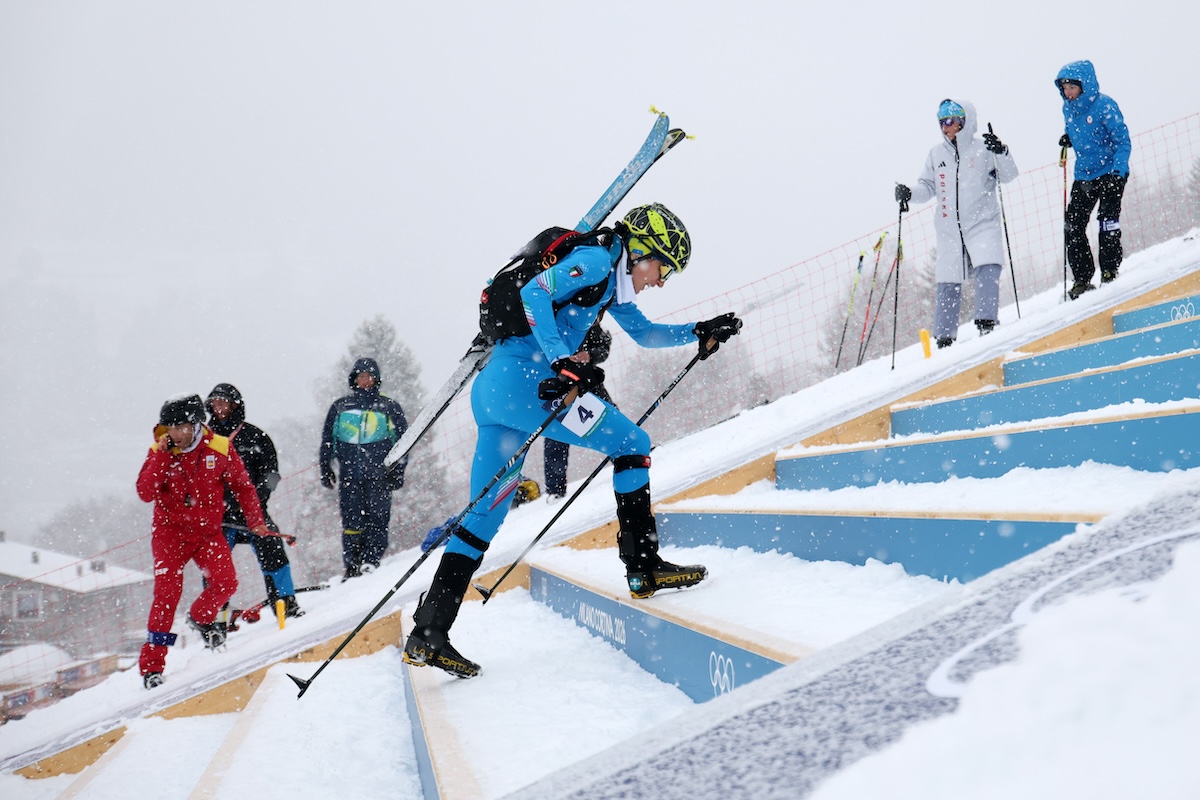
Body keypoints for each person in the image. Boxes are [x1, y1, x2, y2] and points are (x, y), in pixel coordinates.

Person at [403, 202, 742, 679]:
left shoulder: (609, 287)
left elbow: (644, 334)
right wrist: (564, 362)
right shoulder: (601, 262)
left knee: (484, 517)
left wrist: (698, 331)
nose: (660, 280)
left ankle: (429, 632)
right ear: (643, 249)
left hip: (499, 392)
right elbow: (536, 293)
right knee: (633, 443)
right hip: (533, 387)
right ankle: (643, 565)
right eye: (662, 267)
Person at [136, 393, 273, 689]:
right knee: (166, 596)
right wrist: (161, 456)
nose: (173, 434)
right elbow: (145, 492)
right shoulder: (159, 449)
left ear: (195, 425)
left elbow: (244, 488)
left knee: (226, 583)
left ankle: (200, 616)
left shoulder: (220, 448)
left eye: (178, 427)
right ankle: (151, 667)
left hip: (206, 532)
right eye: (167, 427)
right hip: (170, 534)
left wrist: (256, 520)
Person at [895, 99, 1018, 349]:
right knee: (947, 280)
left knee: (988, 266)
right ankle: (944, 337)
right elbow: (927, 187)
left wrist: (1001, 151)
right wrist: (909, 192)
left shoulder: (984, 149)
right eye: (942, 122)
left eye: (951, 121)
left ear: (965, 122)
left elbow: (1008, 175)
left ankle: (986, 322)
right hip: (950, 230)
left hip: (982, 222)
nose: (946, 127)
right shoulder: (936, 154)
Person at [206, 383, 304, 619]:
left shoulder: (255, 436)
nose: (219, 407)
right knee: (213, 563)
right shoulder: (205, 439)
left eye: (223, 402)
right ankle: (214, 615)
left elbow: (271, 474)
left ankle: (284, 602)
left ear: (235, 405)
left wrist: (256, 500)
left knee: (273, 549)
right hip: (220, 516)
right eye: (214, 403)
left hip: (254, 512)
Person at [318, 357, 409, 579]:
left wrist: (398, 471)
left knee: (378, 518)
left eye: (369, 377)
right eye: (361, 377)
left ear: (376, 380)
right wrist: (325, 466)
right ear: (354, 379)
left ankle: (371, 559)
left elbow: (404, 442)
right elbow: (328, 440)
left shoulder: (389, 406)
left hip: (379, 475)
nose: (365, 381)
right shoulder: (340, 407)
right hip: (349, 474)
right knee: (351, 520)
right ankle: (352, 563)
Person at [1055, 60, 1132, 300]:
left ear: (1084, 85)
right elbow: (1079, 131)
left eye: (1071, 87)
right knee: (1073, 225)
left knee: (1107, 221)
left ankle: (1109, 270)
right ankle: (1082, 279)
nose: (1067, 93)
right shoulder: (1068, 109)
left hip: (1110, 171)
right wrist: (1068, 138)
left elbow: (1122, 141)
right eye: (1064, 88)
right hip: (1084, 174)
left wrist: (1119, 172)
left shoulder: (1105, 106)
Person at [543, 323, 614, 500]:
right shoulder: (541, 327)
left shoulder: (583, 319)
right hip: (557, 390)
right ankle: (555, 490)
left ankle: (629, 454)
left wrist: (589, 355)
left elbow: (603, 347)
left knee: (610, 420)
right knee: (555, 434)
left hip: (588, 385)